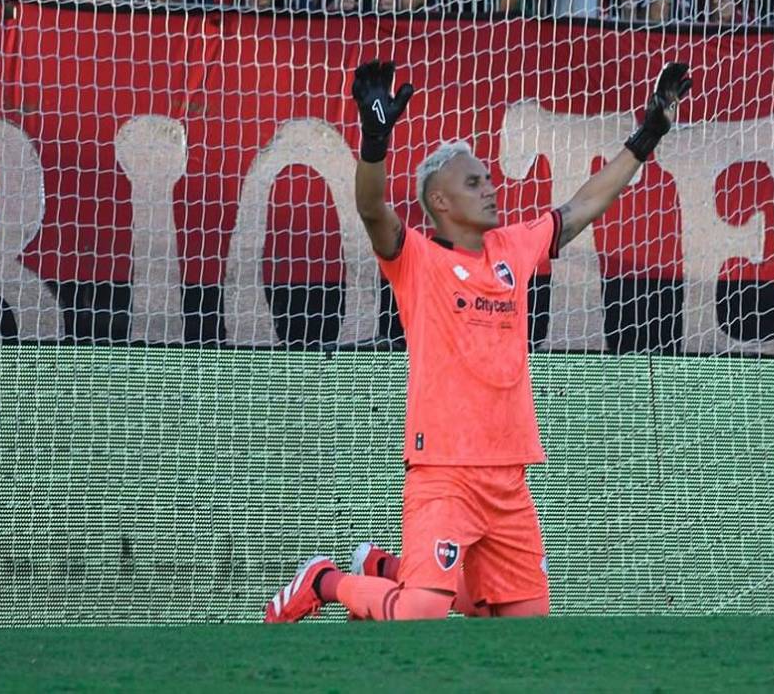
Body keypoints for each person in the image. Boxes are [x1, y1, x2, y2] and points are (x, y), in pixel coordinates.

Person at [264, 58, 691, 623]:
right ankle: (324, 580)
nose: (490, 189)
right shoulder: (416, 257)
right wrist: (374, 140)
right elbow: (370, 209)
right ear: (439, 202)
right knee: (420, 614)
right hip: (444, 470)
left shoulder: (512, 247)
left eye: (488, 178)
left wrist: (648, 135)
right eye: (473, 182)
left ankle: (387, 569)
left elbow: (585, 204)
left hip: (508, 473)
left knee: (519, 629)